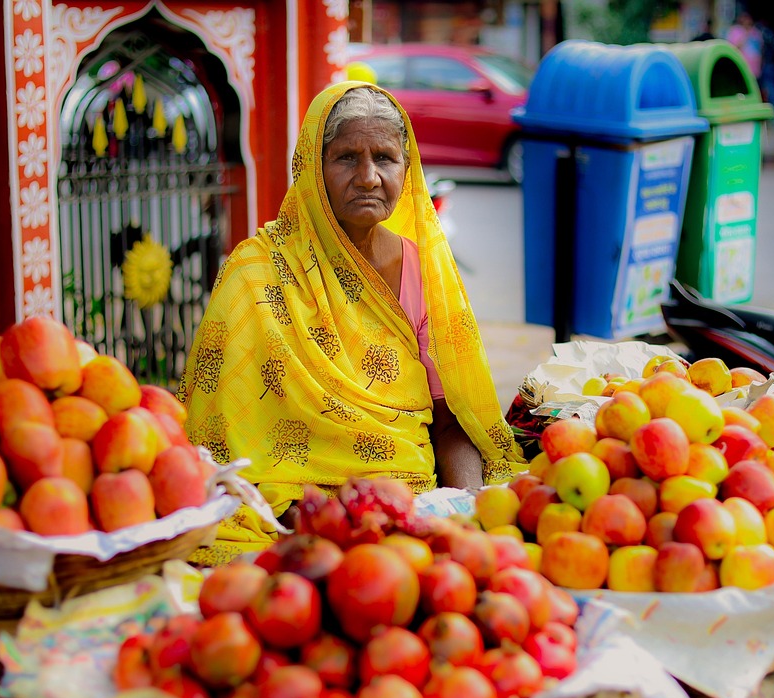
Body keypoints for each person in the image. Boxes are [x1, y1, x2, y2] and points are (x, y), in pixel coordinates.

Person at [177, 81, 526, 561]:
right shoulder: (255, 271)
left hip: (403, 505)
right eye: (346, 158)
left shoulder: (424, 273)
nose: (367, 177)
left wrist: (464, 510)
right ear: (312, 169)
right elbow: (215, 435)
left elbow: (452, 422)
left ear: (407, 169)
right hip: (288, 514)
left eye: (384, 158)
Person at [726, 11, 765, 83]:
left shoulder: (756, 32)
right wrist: (746, 35)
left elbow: (760, 49)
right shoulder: (735, 31)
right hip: (741, 68)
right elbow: (733, 48)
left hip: (755, 70)